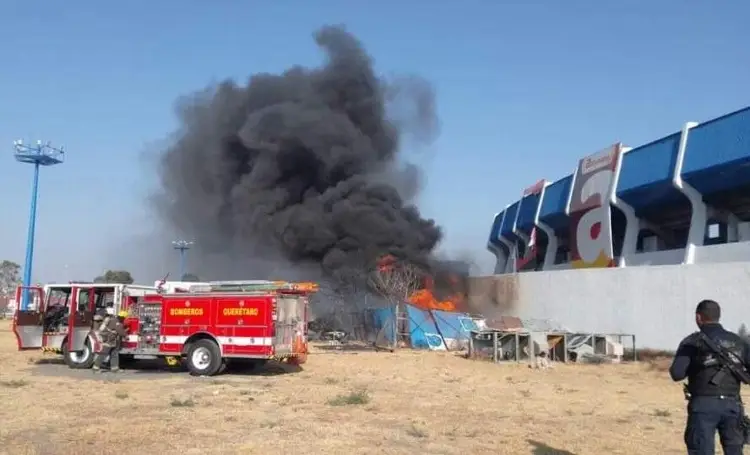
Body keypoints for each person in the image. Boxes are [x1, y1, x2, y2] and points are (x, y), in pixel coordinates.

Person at [669, 299, 750, 455]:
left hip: (702, 406)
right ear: (718, 316)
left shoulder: (692, 342)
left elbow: (677, 374)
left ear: (698, 317)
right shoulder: (738, 341)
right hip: (733, 404)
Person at [93, 308, 129, 373]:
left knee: (114, 354)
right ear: (122, 317)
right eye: (124, 318)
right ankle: (96, 368)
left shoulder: (114, 320)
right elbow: (120, 331)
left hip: (112, 340)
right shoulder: (117, 322)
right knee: (103, 354)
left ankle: (114, 369)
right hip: (109, 340)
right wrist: (126, 336)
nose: (125, 319)